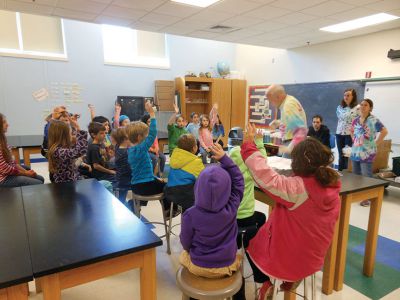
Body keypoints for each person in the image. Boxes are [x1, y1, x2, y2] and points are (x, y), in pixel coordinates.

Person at [241, 124, 340, 299]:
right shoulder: (332, 187)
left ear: (299, 162)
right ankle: (286, 279)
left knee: (250, 237)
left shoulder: (299, 189)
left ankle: (265, 282)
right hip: (313, 257)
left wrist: (248, 144)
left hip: (290, 257)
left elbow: (265, 176)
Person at [179, 143, 244, 283]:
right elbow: (239, 182)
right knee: (240, 260)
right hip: (227, 264)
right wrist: (225, 158)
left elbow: (185, 242)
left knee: (183, 255)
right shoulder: (231, 207)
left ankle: (193, 296)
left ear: (198, 188)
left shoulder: (190, 214)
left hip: (199, 266)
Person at [228, 127, 266, 246]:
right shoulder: (250, 170)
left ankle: (236, 241)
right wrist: (259, 143)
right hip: (245, 216)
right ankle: (251, 243)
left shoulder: (227, 164)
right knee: (262, 217)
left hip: (229, 215)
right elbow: (262, 162)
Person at [127, 101, 166, 208]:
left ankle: (134, 204)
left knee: (159, 182)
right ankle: (167, 210)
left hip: (136, 185)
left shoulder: (131, 150)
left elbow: (142, 171)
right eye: (146, 135)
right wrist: (152, 114)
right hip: (145, 186)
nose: (147, 136)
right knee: (169, 188)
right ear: (140, 137)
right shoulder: (140, 148)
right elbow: (153, 133)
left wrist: (155, 177)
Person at [350, 99, 388, 207]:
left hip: (367, 152)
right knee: (356, 175)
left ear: (370, 108)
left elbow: (384, 131)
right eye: (361, 105)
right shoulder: (356, 120)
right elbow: (351, 130)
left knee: (366, 176)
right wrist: (354, 140)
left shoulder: (373, 120)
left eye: (365, 105)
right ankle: (358, 195)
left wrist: (376, 143)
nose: (362, 107)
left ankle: (367, 198)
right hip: (355, 152)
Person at [0, 113, 44, 187]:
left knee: (40, 178)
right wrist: (25, 173)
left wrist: (26, 172)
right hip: (3, 179)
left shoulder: (3, 139)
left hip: (7, 173)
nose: (7, 124)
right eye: (4, 122)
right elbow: (5, 169)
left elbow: (12, 162)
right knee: (38, 183)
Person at [164, 134, 204, 212]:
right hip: (185, 195)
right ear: (194, 148)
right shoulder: (196, 161)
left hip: (170, 192)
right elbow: (203, 178)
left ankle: (172, 210)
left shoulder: (174, 156)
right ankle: (191, 217)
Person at [266, 84, 307, 157]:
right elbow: (292, 121)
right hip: (293, 143)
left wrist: (289, 148)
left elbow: (302, 130)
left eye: (270, 101)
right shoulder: (289, 100)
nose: (270, 104)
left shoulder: (288, 106)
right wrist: (279, 122)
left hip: (293, 144)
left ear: (277, 97)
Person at [47, 117, 88, 183]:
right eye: (70, 133)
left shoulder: (61, 147)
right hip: (65, 185)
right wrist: (78, 128)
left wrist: (74, 127)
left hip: (71, 181)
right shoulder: (58, 151)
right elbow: (80, 151)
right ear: (64, 136)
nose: (72, 135)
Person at [336, 89, 359, 171]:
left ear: (353, 96)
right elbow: (340, 119)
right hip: (339, 133)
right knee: (340, 154)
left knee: (347, 154)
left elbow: (361, 121)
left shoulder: (358, 108)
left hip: (349, 134)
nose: (346, 97)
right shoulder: (340, 107)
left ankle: (346, 173)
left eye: (348, 95)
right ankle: (340, 172)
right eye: (345, 95)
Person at [111, 127, 132, 205]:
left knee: (122, 197)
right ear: (125, 139)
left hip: (122, 178)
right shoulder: (125, 152)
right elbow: (129, 168)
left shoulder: (118, 146)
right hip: (125, 180)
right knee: (121, 200)